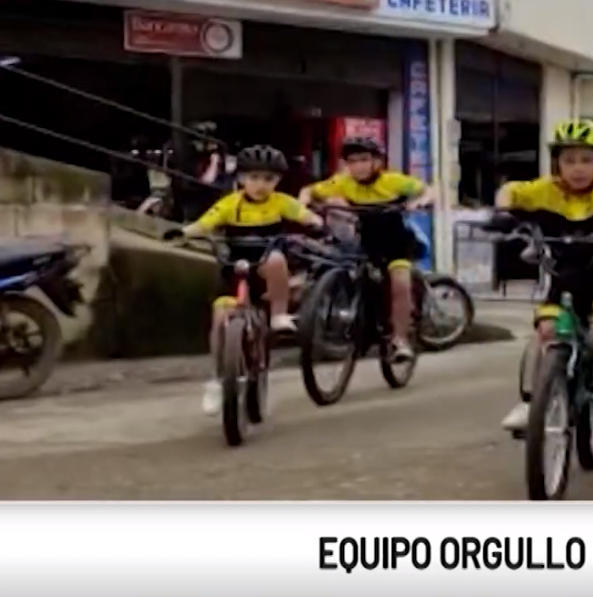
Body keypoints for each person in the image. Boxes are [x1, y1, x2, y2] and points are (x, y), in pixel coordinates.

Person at [494, 120, 593, 431]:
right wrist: (502, 211)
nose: (577, 168)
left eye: (586, 160)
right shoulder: (544, 190)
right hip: (562, 277)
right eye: (569, 160)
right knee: (545, 331)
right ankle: (531, 401)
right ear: (557, 163)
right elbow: (509, 190)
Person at [169, 145, 325, 415]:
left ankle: (278, 316)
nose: (260, 185)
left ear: (277, 181)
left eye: (268, 179)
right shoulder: (231, 203)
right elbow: (206, 223)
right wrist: (183, 232)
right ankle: (218, 380)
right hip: (236, 267)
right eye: (253, 178)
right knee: (220, 317)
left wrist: (315, 222)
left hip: (267, 269)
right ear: (240, 179)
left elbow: (305, 215)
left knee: (276, 260)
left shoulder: (282, 202)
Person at [301, 137, 434, 364]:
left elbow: (428, 190)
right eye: (352, 161)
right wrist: (303, 203)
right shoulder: (342, 182)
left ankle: (400, 340)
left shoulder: (393, 181)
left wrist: (419, 202)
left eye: (364, 160)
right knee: (355, 275)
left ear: (376, 162)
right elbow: (309, 191)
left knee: (400, 284)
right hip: (365, 244)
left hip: (396, 244)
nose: (358, 166)